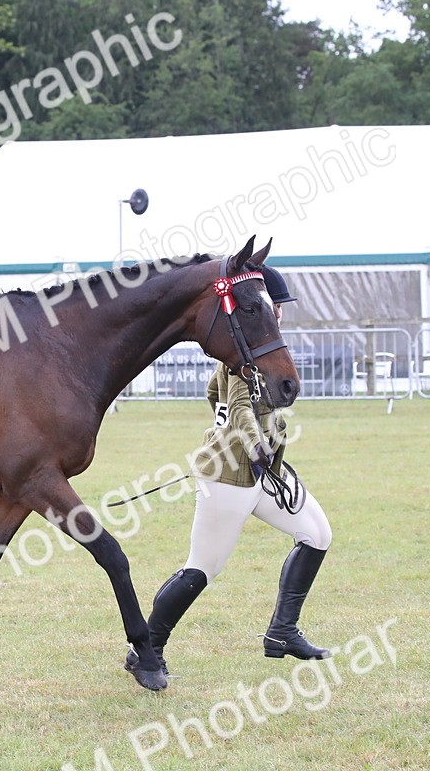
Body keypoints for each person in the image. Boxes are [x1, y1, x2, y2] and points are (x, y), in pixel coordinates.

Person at [126, 265, 334, 676]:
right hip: (228, 476)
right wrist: (252, 443)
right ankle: (145, 650)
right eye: (278, 306)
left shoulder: (258, 353)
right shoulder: (243, 361)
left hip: (263, 474)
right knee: (202, 567)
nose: (281, 313)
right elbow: (238, 408)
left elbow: (213, 394)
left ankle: (282, 632)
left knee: (317, 535)